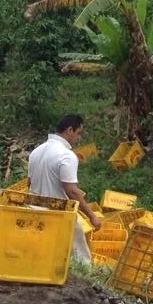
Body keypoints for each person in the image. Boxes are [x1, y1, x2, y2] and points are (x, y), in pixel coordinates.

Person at [27, 114, 99, 266]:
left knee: (43, 253)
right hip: (58, 211)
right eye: (79, 133)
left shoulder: (36, 152)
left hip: (34, 208)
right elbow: (71, 191)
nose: (79, 138)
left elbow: (29, 182)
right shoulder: (66, 155)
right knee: (80, 254)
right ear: (70, 130)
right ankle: (86, 276)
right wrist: (92, 216)